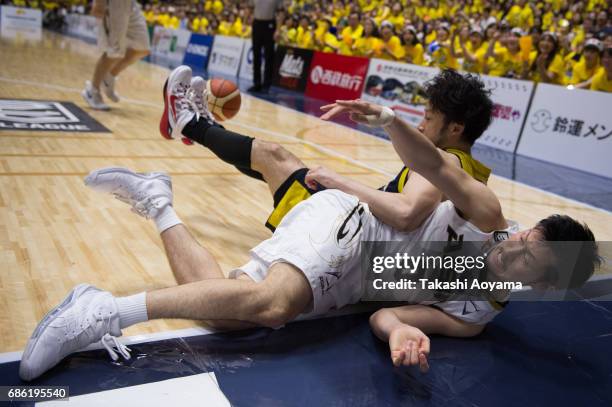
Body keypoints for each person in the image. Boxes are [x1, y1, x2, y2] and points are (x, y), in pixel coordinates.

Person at [20, 71, 599, 382]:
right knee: (270, 305)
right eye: (527, 238)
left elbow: (389, 314)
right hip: (349, 225)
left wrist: (398, 334)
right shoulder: (490, 215)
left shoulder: (477, 315)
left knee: (228, 312)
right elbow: (431, 166)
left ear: (541, 287)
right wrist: (393, 120)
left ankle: (158, 203)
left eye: (529, 261)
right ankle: (100, 311)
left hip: (350, 278)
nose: (515, 249)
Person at [165, 67, 493, 234]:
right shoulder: (467, 171)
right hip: (360, 227)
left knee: (273, 155)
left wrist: (342, 183)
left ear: (455, 128)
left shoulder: (448, 164)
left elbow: (407, 213)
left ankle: (188, 124)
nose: (421, 126)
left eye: (429, 118)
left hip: (346, 235)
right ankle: (203, 126)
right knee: (278, 163)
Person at [81, 0, 150, 110]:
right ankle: (92, 90)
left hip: (130, 3)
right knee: (114, 52)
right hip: (113, 4)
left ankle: (108, 78)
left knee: (142, 48)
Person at [249, 0, 281, 93]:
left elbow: (281, 13)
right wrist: (246, 21)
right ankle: (256, 83)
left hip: (270, 24)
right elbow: (250, 8)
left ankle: (266, 85)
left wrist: (278, 30)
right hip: (257, 24)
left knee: (269, 56)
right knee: (256, 55)